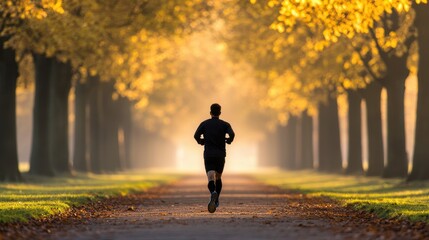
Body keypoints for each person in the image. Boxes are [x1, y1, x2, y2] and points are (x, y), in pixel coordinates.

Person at [194, 103, 235, 213]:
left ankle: (213, 193)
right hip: (220, 155)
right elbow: (232, 134)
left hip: (209, 155)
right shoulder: (225, 124)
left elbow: (196, 135)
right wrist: (228, 140)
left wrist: (201, 141)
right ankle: (216, 200)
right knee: (218, 177)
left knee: (210, 177)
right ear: (220, 113)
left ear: (210, 112)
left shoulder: (204, 124)